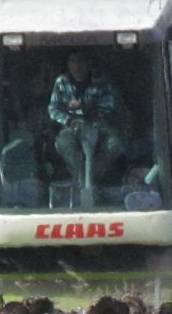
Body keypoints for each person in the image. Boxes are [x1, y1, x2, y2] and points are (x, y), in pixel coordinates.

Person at [47, 51, 124, 207]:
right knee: (64, 143)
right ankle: (81, 181)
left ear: (88, 63)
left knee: (115, 144)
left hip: (98, 124)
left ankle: (93, 178)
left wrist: (88, 107)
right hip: (71, 125)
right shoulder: (62, 81)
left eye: (81, 61)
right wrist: (69, 120)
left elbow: (110, 105)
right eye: (73, 61)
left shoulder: (101, 81)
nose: (77, 66)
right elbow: (53, 109)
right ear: (68, 64)